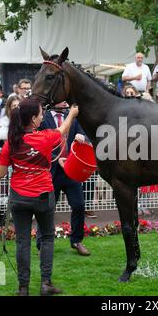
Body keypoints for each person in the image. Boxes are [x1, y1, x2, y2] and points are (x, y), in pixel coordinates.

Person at [0, 98, 78, 296]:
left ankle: (23, 287)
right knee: (47, 238)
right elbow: (63, 130)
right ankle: (46, 283)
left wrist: (19, 166)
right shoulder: (45, 137)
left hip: (18, 197)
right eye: (41, 114)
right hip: (42, 196)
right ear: (33, 119)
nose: (43, 117)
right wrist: (73, 114)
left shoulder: (11, 142)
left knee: (22, 241)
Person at [36, 101, 91, 256]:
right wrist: (56, 158)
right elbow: (39, 143)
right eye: (62, 100)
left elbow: (84, 134)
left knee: (79, 205)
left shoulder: (71, 116)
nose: (65, 103)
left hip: (71, 170)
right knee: (47, 209)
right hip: (52, 172)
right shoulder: (43, 118)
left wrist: (82, 136)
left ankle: (77, 241)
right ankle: (42, 244)